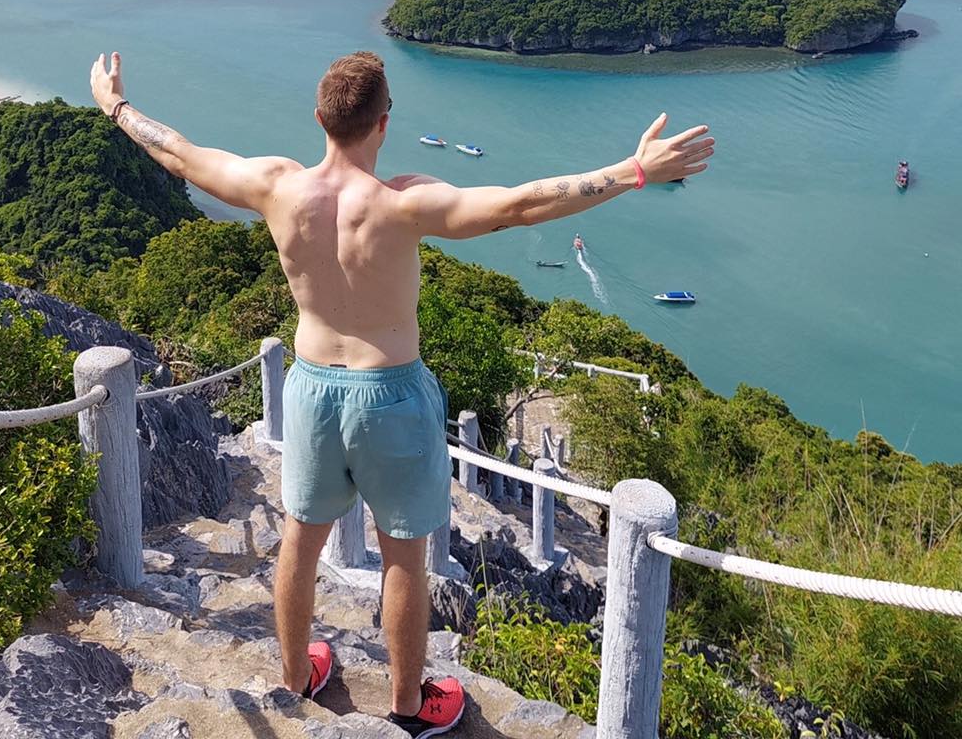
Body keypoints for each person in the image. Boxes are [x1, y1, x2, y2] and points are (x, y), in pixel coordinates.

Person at [90, 49, 713, 737]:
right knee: (404, 554)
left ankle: (297, 675)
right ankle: (410, 705)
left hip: (313, 389)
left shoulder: (277, 186)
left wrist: (114, 104)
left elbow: (178, 153)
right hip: (390, 396)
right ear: (383, 124)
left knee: (300, 539)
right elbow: (522, 204)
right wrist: (634, 172)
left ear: (320, 119)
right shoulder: (405, 203)